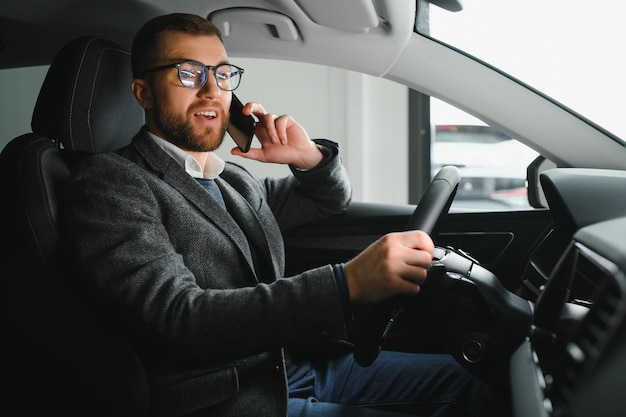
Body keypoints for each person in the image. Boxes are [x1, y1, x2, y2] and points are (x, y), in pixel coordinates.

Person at [63, 12, 491, 417]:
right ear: (144, 93)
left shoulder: (232, 179)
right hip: (229, 401)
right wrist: (347, 285)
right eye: (188, 73)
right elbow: (180, 318)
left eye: (222, 74)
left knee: (472, 380)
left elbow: (329, 200)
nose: (212, 90)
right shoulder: (111, 182)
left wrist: (308, 158)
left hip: (290, 368)